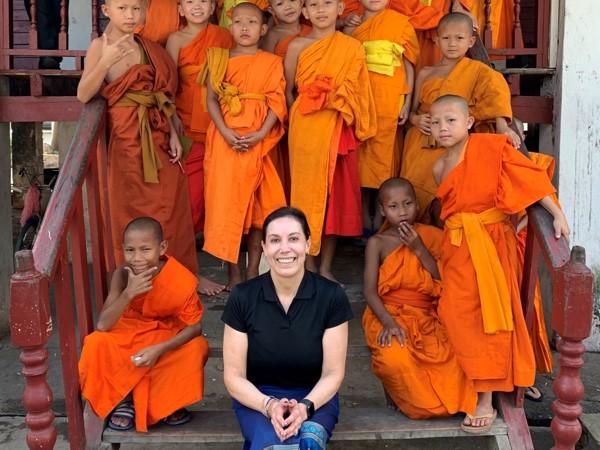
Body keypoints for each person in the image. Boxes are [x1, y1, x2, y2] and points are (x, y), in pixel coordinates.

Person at [429, 94, 569, 433]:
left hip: (491, 245)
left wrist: (556, 213)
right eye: (435, 122)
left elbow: (529, 179)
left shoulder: (491, 147)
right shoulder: (436, 166)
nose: (443, 127)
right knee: (454, 313)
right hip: (458, 247)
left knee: (488, 318)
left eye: (450, 120)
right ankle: (472, 384)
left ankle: (485, 397)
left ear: (468, 122)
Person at [77, 0, 199, 274]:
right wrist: (106, 60)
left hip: (157, 131)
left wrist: (173, 133)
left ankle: (175, 272)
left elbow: (160, 93)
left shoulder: (146, 46)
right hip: (127, 136)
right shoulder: (100, 45)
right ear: (107, 10)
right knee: (130, 202)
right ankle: (133, 273)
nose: (131, 16)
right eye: (122, 9)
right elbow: (84, 94)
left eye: (136, 9)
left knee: (171, 199)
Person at [222, 207, 353, 449]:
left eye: (294, 238)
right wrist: (269, 404)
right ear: (263, 248)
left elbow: (333, 373)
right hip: (257, 398)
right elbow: (234, 377)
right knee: (274, 445)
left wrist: (305, 407)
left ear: (308, 244)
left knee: (308, 442)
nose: (284, 248)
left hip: (316, 397)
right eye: (275, 240)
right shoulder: (243, 297)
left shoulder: (331, 296)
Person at [79, 217, 209, 432]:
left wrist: (159, 349)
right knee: (96, 343)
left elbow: (195, 327)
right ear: (123, 249)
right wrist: (129, 293)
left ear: (162, 248)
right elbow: (103, 325)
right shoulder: (122, 274)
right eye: (130, 250)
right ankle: (125, 399)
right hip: (129, 331)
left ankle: (167, 402)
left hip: (166, 335)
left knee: (196, 347)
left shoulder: (180, 278)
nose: (137, 258)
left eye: (145, 249)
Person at [362, 177, 477, 418]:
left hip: (427, 315)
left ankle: (439, 400)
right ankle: (416, 401)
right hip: (388, 314)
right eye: (393, 207)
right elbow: (370, 291)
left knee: (456, 358)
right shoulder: (377, 243)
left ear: (417, 205)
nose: (402, 212)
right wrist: (388, 322)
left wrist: (418, 248)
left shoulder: (433, 236)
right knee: (395, 360)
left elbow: (444, 279)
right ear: (382, 211)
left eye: (407, 204)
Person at [285, 0, 376, 284]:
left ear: (340, 9)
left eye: (327, 3)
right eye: (314, 4)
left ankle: (325, 266)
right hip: (305, 128)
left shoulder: (351, 47)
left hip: (338, 125)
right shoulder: (296, 47)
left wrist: (339, 101)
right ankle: (308, 264)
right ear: (305, 12)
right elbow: (289, 91)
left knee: (334, 198)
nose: (321, 10)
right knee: (305, 195)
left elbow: (360, 90)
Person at [400, 12, 519, 220]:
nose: (452, 44)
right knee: (415, 195)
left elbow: (495, 94)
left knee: (450, 195)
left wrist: (502, 126)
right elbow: (412, 109)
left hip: (455, 143)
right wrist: (416, 120)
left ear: (471, 41)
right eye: (446, 38)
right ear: (436, 40)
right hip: (422, 141)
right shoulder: (426, 73)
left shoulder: (478, 71)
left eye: (459, 38)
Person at [202, 1, 287, 289]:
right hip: (226, 142)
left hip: (259, 143)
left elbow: (277, 100)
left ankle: (253, 270)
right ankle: (233, 272)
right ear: (230, 25)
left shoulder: (271, 61)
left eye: (252, 22)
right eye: (238, 22)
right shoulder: (218, 58)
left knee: (258, 209)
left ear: (264, 28)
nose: (245, 28)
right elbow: (211, 100)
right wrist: (226, 132)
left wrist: (262, 133)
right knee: (229, 207)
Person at [166, 0, 233, 295]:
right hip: (188, 125)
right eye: (190, 1)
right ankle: (182, 270)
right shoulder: (175, 39)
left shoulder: (224, 36)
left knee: (220, 196)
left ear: (214, 7)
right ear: (180, 9)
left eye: (203, 1)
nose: (197, 6)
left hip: (222, 124)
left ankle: (226, 267)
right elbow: (168, 86)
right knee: (191, 200)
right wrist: (171, 121)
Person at [343, 0, 419, 235]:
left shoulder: (400, 23)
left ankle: (383, 219)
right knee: (360, 160)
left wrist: (407, 102)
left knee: (385, 160)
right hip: (361, 99)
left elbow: (409, 65)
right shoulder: (352, 24)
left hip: (389, 99)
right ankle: (363, 216)